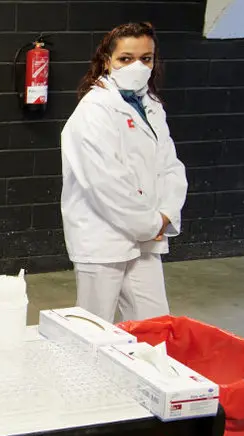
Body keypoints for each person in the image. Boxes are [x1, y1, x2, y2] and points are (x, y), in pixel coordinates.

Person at [60, 22, 187, 323]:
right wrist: (151, 223)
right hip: (103, 237)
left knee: (155, 325)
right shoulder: (94, 110)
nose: (137, 66)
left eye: (146, 58)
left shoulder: (151, 105)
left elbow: (170, 166)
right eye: (126, 58)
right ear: (107, 61)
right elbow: (105, 184)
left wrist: (166, 213)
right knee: (93, 327)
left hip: (146, 235)